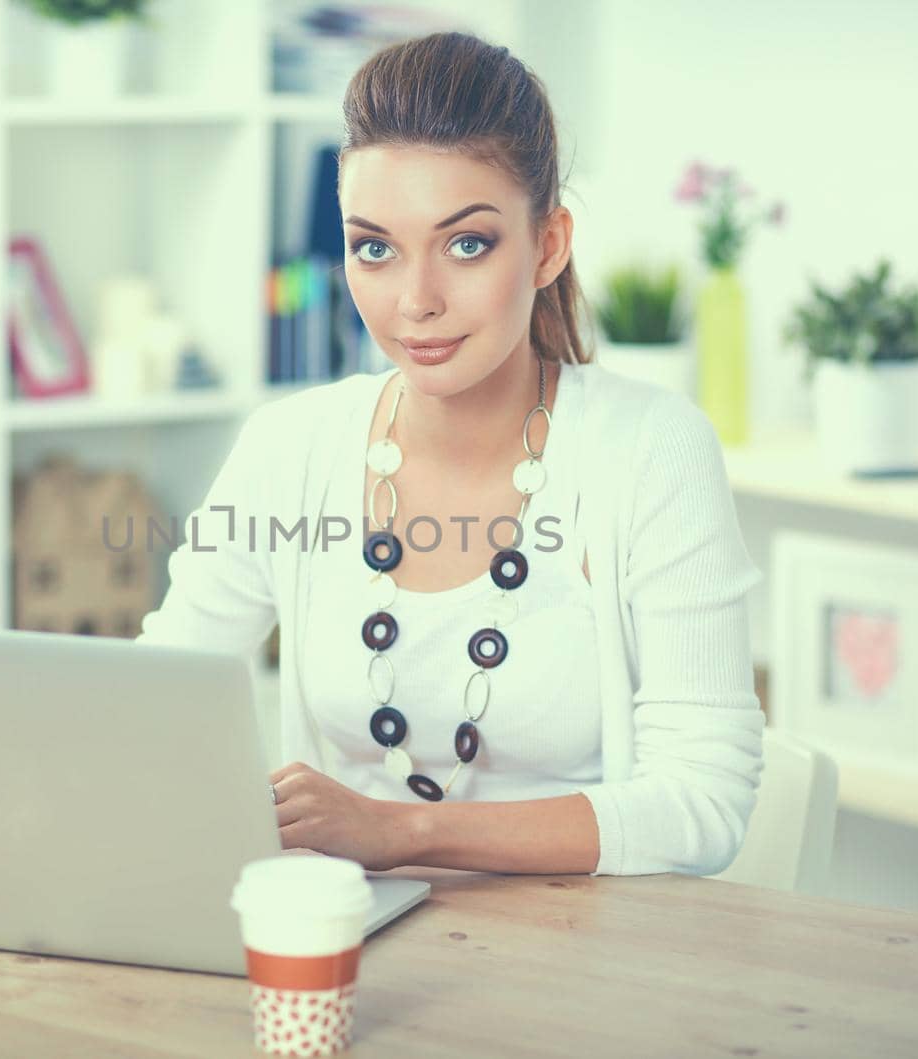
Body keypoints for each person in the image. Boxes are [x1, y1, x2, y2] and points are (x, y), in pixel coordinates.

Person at [137, 32, 764, 878]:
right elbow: (155, 699)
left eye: (466, 244)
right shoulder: (291, 445)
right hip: (346, 941)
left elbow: (704, 802)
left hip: (589, 963)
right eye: (374, 247)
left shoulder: (652, 449)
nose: (415, 301)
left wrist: (400, 831)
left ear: (547, 246)